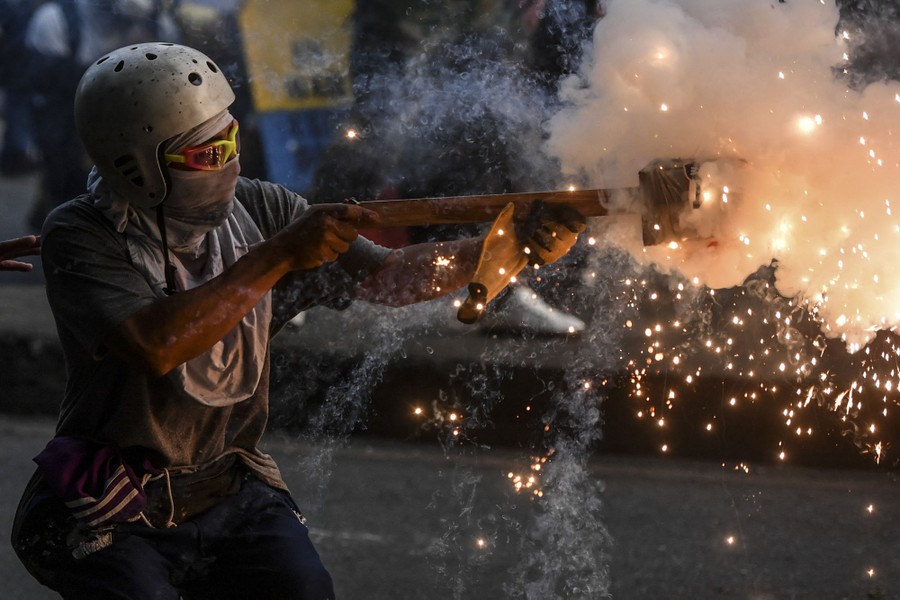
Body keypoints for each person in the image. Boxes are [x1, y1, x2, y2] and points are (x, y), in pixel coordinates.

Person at [10, 42, 583, 599]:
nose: (230, 163)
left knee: (302, 587)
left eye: (231, 140)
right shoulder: (82, 233)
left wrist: (504, 247)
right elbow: (157, 344)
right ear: (136, 168)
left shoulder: (261, 208)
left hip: (226, 485)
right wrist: (280, 255)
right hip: (117, 499)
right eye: (207, 155)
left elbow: (388, 278)